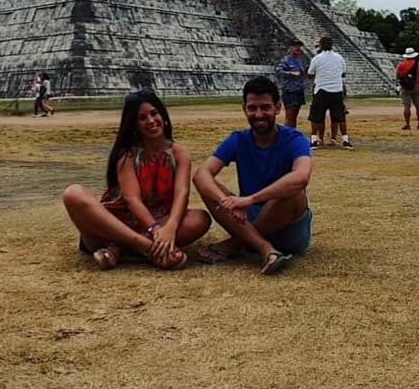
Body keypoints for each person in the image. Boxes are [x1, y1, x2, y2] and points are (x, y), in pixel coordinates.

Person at [62, 89, 210, 270]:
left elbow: (182, 193)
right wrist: (155, 230)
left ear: (162, 115)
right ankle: (146, 248)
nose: (150, 121)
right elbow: (132, 200)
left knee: (200, 219)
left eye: (154, 114)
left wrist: (170, 226)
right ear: (134, 124)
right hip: (113, 226)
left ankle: (117, 250)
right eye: (142, 118)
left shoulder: (179, 153)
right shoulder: (128, 155)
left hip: (159, 221)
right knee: (73, 193)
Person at [194, 76, 313, 275]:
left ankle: (239, 242)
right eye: (252, 108)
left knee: (293, 192)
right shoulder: (238, 139)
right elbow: (201, 175)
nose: (259, 114)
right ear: (244, 109)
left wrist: (250, 200)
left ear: (277, 108)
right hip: (249, 217)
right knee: (209, 187)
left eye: (265, 107)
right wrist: (228, 201)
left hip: (288, 229)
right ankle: (263, 247)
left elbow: (301, 177)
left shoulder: (294, 139)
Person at [307, 36, 352, 149]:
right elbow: (343, 74)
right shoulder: (339, 58)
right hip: (336, 90)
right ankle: (345, 140)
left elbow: (310, 73)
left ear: (321, 45)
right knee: (340, 117)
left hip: (321, 90)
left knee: (316, 117)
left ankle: (314, 140)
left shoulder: (317, 58)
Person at [276, 39, 307, 128]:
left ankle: (292, 132)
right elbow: (279, 72)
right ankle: (288, 134)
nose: (298, 48)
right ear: (290, 48)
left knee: (295, 115)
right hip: (290, 91)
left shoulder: (300, 60)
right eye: (295, 46)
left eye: (299, 46)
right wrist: (290, 73)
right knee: (290, 115)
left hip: (299, 90)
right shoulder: (286, 60)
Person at [396, 47, 419, 130]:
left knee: (406, 107)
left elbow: (398, 76)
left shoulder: (401, 65)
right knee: (418, 107)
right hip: (417, 87)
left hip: (405, 88)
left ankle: (407, 124)